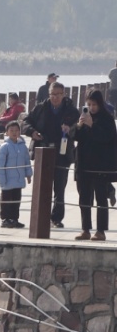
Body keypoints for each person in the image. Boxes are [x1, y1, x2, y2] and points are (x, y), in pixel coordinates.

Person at [23, 81, 80, 228]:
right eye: (52, 94)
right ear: (49, 94)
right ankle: (41, 216)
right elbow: (25, 122)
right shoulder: (41, 108)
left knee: (60, 188)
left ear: (63, 94)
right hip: (43, 150)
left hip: (62, 152)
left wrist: (70, 129)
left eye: (58, 94)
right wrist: (32, 132)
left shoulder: (71, 110)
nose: (55, 97)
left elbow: (79, 127)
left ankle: (56, 218)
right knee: (42, 186)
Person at [70, 89, 117, 241]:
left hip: (100, 165)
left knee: (101, 198)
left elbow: (106, 138)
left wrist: (92, 125)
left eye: (94, 104)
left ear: (100, 104)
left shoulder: (107, 119)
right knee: (84, 198)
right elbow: (74, 136)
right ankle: (85, 229)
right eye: (89, 104)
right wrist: (78, 126)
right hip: (83, 164)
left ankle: (101, 231)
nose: (91, 108)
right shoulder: (84, 117)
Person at [0, 121, 32, 228]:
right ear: (6, 133)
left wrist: (28, 174)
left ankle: (14, 218)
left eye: (16, 130)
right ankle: (5, 219)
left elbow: (26, 161)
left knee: (16, 200)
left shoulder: (23, 146)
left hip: (18, 180)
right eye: (11, 131)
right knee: (6, 200)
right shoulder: (5, 147)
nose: (14, 133)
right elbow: (0, 165)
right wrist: (1, 179)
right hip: (7, 180)